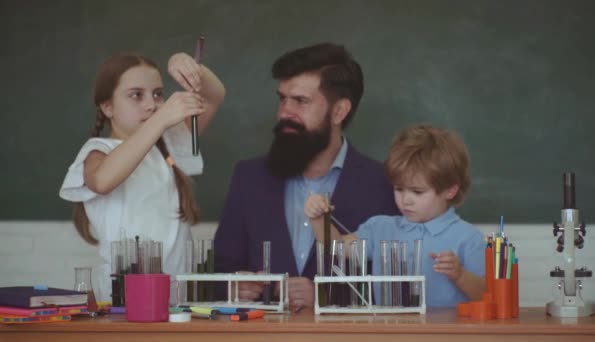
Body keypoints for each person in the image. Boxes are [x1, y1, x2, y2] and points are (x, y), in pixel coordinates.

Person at [214, 43, 399, 309]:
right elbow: (220, 270)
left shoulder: (384, 184)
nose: (284, 113)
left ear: (339, 111)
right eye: (282, 99)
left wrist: (328, 297)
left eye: (300, 101)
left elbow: (397, 286)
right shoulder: (249, 177)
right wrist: (234, 285)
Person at [59, 52, 225, 301]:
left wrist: (190, 67)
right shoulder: (98, 151)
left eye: (158, 94)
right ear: (107, 107)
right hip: (123, 301)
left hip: (178, 300)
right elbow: (103, 181)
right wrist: (161, 119)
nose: (151, 104)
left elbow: (214, 95)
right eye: (136, 95)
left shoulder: (170, 144)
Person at [304, 125, 486, 307]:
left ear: (450, 190)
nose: (405, 200)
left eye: (417, 192)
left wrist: (460, 275)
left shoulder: (468, 238)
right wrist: (319, 219)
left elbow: (486, 294)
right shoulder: (380, 228)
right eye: (399, 189)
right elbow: (338, 248)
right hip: (390, 332)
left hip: (445, 335)